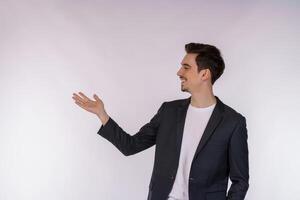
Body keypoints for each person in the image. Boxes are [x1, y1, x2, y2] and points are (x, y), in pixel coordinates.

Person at [72, 43, 249, 200]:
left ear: (204, 74)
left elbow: (240, 181)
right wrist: (102, 115)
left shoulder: (233, 123)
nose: (179, 72)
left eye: (186, 67)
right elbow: (131, 146)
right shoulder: (169, 112)